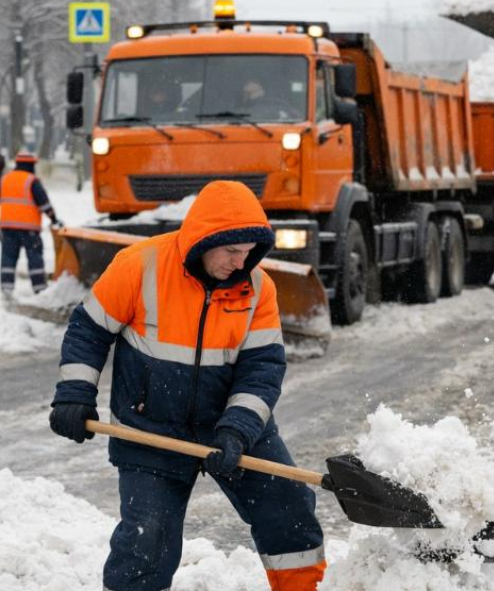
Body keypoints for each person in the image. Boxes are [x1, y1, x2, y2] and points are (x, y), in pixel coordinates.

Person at [48, 180, 326, 591]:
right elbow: (88, 330)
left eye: (249, 253)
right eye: (231, 251)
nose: (240, 263)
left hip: (230, 426)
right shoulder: (139, 265)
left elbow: (263, 367)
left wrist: (238, 430)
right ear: (203, 240)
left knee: (289, 509)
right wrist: (74, 393)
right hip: (150, 428)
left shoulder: (259, 288)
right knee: (148, 539)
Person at [0, 152, 61, 296]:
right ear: (30, 165)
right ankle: (39, 288)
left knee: (8, 257)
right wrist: (54, 219)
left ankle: (7, 288)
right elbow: (44, 203)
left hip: (8, 228)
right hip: (29, 230)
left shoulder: (5, 180)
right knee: (34, 257)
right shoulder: (32, 181)